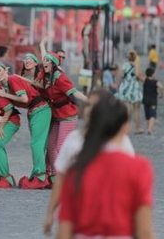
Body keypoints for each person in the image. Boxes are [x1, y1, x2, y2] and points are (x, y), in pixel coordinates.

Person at [56, 96, 155, 239]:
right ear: (125, 127)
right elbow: (144, 232)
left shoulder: (75, 169)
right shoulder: (139, 168)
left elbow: (64, 232)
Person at [42, 89, 135, 236]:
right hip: (77, 217)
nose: (90, 110)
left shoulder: (121, 142)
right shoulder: (73, 139)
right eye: (88, 105)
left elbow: (129, 184)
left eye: (95, 106)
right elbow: (61, 179)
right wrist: (50, 212)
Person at [22, 52, 88, 182]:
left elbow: (74, 92)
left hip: (68, 116)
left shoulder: (59, 77)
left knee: (60, 147)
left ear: (52, 64)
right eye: (44, 60)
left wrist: (90, 100)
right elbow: (40, 85)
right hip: (57, 115)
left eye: (47, 60)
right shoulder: (46, 76)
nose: (44, 62)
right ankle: (55, 176)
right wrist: (23, 80)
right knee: (51, 146)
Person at [0, 61, 52, 189]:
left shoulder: (12, 79)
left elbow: (24, 99)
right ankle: (39, 174)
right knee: (38, 144)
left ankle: (40, 177)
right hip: (34, 111)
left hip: (40, 109)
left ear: (6, 70)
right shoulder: (5, 85)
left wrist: (4, 94)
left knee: (36, 143)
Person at [116, 50, 145, 134]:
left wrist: (118, 86)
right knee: (136, 110)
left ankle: (125, 128)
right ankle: (137, 128)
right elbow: (138, 75)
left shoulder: (123, 65)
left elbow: (120, 76)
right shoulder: (137, 65)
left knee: (126, 109)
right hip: (134, 88)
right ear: (135, 57)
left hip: (125, 88)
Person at [143, 67, 164, 135]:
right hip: (152, 101)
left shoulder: (145, 80)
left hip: (145, 100)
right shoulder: (155, 82)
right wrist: (161, 94)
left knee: (147, 116)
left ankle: (148, 128)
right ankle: (150, 129)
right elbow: (161, 87)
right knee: (152, 115)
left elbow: (139, 76)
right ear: (152, 74)